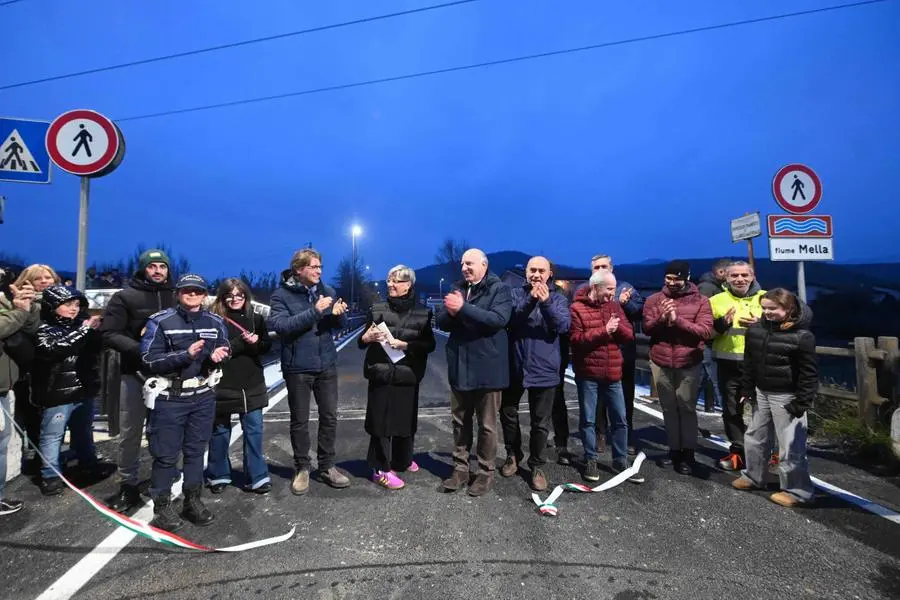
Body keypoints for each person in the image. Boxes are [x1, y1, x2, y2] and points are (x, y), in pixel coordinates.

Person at [140, 274, 230, 532]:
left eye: (198, 291)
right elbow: (147, 359)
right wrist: (185, 355)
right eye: (187, 291)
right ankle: (162, 506)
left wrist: (217, 355)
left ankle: (193, 500)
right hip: (170, 398)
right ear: (178, 293)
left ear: (205, 295)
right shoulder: (160, 321)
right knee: (166, 455)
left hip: (202, 396)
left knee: (195, 452)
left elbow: (224, 347)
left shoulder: (215, 321)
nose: (193, 295)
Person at [268, 249, 350, 495]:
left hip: (326, 364)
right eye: (313, 267)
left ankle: (326, 466)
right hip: (297, 367)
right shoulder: (280, 295)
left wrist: (337, 316)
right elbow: (281, 326)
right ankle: (302, 467)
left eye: (320, 267)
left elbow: (337, 326)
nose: (319, 271)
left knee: (329, 417)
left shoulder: (328, 292)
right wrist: (315, 311)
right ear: (298, 270)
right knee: (300, 421)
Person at [101, 249, 175, 513]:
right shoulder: (125, 297)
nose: (158, 271)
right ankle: (127, 485)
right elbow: (108, 332)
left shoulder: (176, 296)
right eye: (152, 266)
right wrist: (141, 349)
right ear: (143, 269)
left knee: (166, 432)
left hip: (168, 375)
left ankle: (163, 477)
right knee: (131, 432)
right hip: (135, 374)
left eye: (162, 267)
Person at [435, 248, 512, 497]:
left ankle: (485, 473)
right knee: (460, 422)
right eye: (462, 264)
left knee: (487, 425)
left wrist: (463, 309)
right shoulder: (457, 288)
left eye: (469, 263)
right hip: (461, 366)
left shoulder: (498, 289)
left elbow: (497, 320)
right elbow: (441, 320)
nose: (464, 267)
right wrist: (452, 310)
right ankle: (460, 469)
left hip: (488, 368)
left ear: (484, 265)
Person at [731, 288, 817, 507]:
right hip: (761, 393)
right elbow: (749, 363)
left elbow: (808, 373)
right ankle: (753, 477)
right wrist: (747, 390)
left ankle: (798, 491)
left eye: (773, 308)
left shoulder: (802, 336)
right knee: (755, 436)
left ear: (788, 309)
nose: (767, 312)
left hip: (788, 396)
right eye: (764, 308)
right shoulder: (756, 331)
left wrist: (802, 402)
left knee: (790, 445)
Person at [358, 265, 436, 490]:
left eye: (396, 281)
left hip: (407, 374)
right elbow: (361, 341)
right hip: (381, 373)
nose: (390, 284)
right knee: (380, 424)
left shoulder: (423, 312)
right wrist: (366, 337)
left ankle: (402, 459)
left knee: (405, 419)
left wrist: (406, 345)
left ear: (408, 284)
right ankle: (380, 469)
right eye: (389, 280)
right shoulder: (377, 309)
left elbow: (429, 345)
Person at [31, 285, 113, 495]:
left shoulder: (80, 326)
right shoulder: (44, 329)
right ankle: (51, 475)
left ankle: (88, 464)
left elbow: (97, 349)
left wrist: (97, 332)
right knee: (52, 435)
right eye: (67, 304)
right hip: (57, 394)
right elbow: (52, 350)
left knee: (84, 431)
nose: (73, 309)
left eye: (76, 304)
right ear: (52, 306)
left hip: (82, 389)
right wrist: (84, 331)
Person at [500, 256, 570, 491]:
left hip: (545, 368)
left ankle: (537, 464)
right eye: (532, 270)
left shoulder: (559, 298)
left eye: (541, 271)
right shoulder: (514, 294)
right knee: (508, 412)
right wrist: (531, 300)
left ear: (550, 273)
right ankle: (513, 453)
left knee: (541, 422)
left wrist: (547, 302)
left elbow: (562, 326)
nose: (536, 275)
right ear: (526, 272)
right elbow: (511, 321)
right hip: (515, 365)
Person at [570, 270, 642, 483]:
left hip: (612, 372)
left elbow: (629, 335)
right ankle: (590, 458)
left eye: (613, 289)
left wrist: (616, 328)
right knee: (588, 419)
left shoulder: (614, 307)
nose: (613, 293)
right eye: (609, 289)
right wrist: (604, 330)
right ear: (595, 287)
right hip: (588, 373)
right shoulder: (577, 308)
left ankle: (620, 460)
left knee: (620, 419)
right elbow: (576, 340)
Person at [642, 260, 713, 475]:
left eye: (677, 279)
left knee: (686, 407)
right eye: (669, 278)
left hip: (688, 361)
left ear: (687, 278)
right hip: (661, 360)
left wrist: (678, 320)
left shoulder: (701, 301)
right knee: (668, 408)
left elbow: (705, 331)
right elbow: (647, 328)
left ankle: (688, 453)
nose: (672, 283)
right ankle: (673, 450)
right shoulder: (654, 300)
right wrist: (663, 318)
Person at [205, 278, 273, 495]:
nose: (235, 299)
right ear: (223, 297)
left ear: (246, 296)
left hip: (252, 381)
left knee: (254, 430)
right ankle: (218, 474)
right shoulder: (212, 320)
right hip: (222, 382)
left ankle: (257, 476)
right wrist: (241, 343)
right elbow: (212, 352)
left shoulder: (256, 318)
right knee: (220, 431)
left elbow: (266, 347)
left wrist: (257, 343)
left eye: (239, 295)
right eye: (230, 295)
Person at [709, 261, 766, 471]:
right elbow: (707, 334)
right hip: (729, 363)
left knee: (763, 411)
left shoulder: (766, 298)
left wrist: (760, 325)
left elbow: (788, 323)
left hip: (760, 364)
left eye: (744, 275)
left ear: (752, 276)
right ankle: (738, 452)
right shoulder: (716, 301)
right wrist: (722, 324)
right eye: (734, 276)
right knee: (732, 409)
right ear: (726, 278)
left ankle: (766, 454)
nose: (739, 279)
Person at [588, 254, 644, 455]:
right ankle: (600, 434)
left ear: (612, 268)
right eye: (596, 267)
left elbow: (640, 313)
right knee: (598, 399)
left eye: (604, 266)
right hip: (596, 353)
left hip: (622, 354)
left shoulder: (625, 287)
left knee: (625, 397)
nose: (600, 269)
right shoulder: (586, 290)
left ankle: (625, 435)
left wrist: (626, 304)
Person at [10, 264, 61, 476]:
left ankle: (45, 458)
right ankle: (31, 460)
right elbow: (31, 329)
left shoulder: (63, 301)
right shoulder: (21, 302)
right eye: (38, 278)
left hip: (54, 368)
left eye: (48, 277)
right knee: (29, 415)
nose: (44, 281)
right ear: (27, 281)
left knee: (50, 419)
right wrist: (28, 306)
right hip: (27, 368)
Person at [0, 281, 39, 515]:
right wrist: (19, 310)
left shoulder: (5, 301)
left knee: (2, 443)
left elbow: (28, 327)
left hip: (5, 386)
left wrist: (28, 306)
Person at [695, 258, 730, 412]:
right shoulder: (708, 288)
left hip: (713, 341)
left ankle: (684, 414)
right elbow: (703, 317)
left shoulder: (713, 287)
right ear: (721, 272)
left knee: (703, 379)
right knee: (717, 382)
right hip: (709, 342)